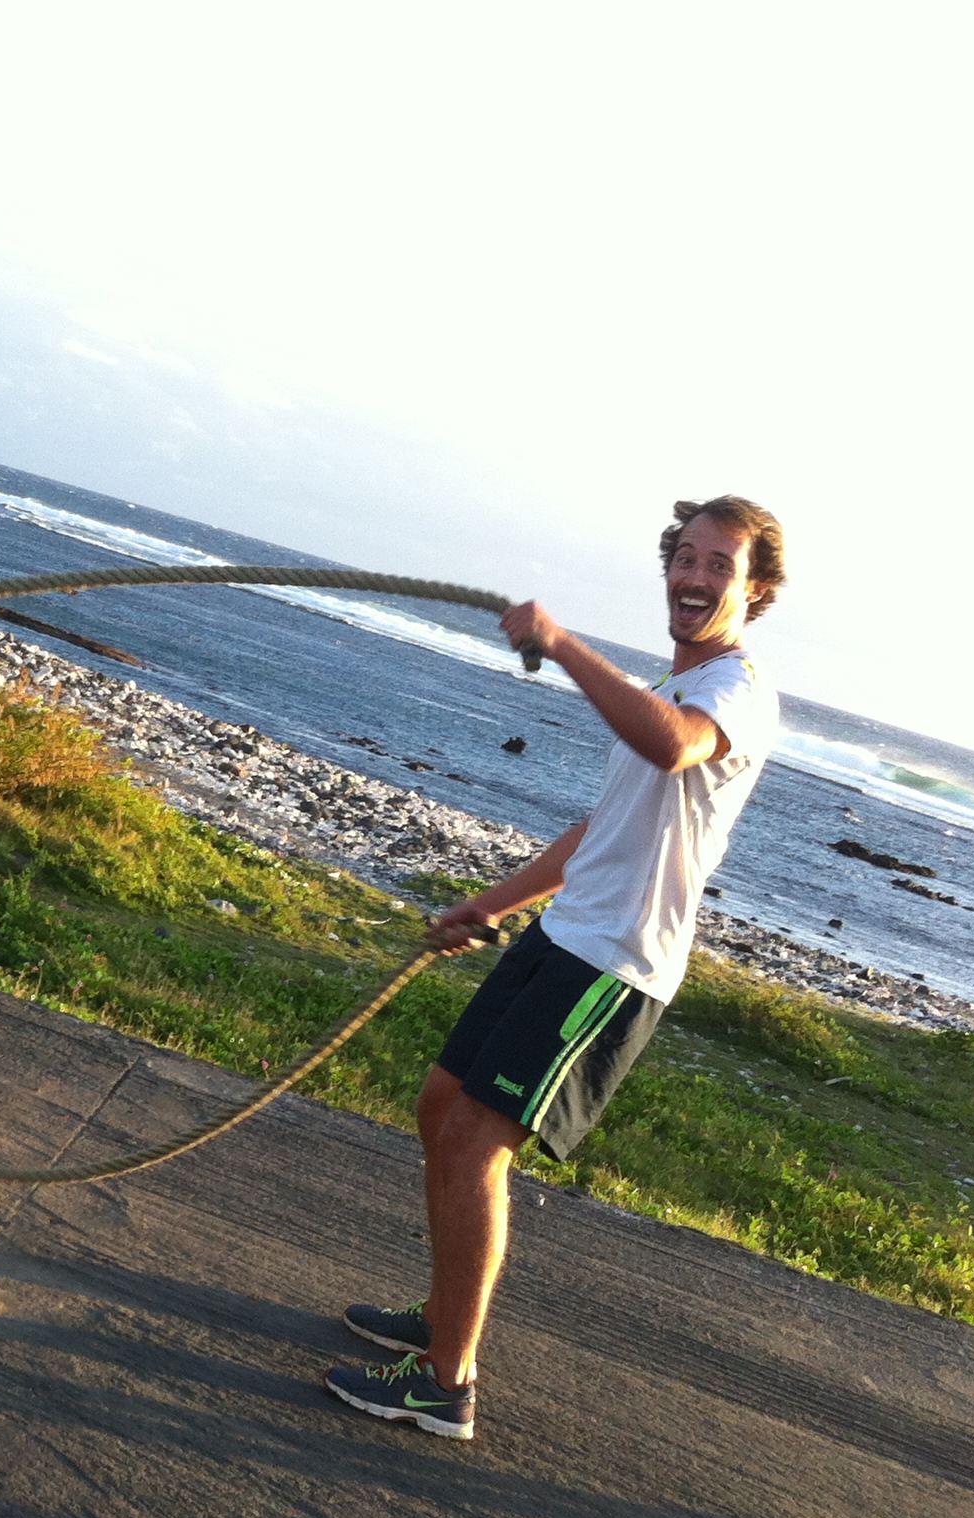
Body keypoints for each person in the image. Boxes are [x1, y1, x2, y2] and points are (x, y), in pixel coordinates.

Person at [324, 496, 787, 1442]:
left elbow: (673, 747)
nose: (695, 577)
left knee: (475, 1145)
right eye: (686, 557)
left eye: (720, 566)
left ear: (756, 591)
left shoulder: (734, 690)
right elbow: (599, 830)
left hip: (614, 964)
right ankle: (442, 1317)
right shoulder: (674, 682)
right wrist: (493, 904)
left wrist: (565, 644)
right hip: (563, 935)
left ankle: (446, 1384)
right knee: (441, 1107)